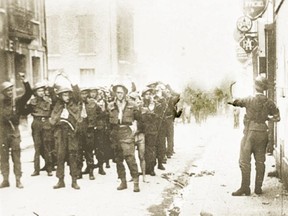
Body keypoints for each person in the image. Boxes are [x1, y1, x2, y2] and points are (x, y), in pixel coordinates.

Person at [228, 75, 280, 196]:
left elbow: (234, 101)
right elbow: (277, 118)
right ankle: (258, 188)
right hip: (263, 132)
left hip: (249, 133)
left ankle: (245, 188)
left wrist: (231, 91)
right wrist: (266, 117)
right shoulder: (270, 103)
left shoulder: (249, 100)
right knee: (260, 161)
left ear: (254, 86)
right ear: (265, 88)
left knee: (244, 161)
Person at [0, 73, 32, 188]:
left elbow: (28, 94)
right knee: (3, 157)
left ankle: (18, 179)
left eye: (11, 90)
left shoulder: (17, 102)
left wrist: (25, 81)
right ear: (3, 92)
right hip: (2, 132)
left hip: (14, 132)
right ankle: (5, 179)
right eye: (7, 91)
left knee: (16, 157)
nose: (10, 92)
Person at [50, 74, 82, 190]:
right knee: (60, 156)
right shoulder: (57, 104)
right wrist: (55, 77)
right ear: (60, 96)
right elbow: (50, 91)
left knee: (73, 156)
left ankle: (74, 181)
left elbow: (77, 92)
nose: (67, 96)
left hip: (71, 133)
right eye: (64, 94)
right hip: (60, 133)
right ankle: (60, 180)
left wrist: (70, 79)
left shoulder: (74, 103)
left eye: (68, 94)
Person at [108, 83, 140, 192]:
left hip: (127, 131)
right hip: (115, 132)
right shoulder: (111, 105)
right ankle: (123, 181)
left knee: (130, 158)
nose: (119, 94)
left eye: (121, 92)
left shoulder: (132, 104)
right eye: (117, 92)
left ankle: (136, 182)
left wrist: (135, 128)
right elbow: (107, 121)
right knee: (118, 159)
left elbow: (139, 118)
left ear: (125, 93)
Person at [27, 82, 54, 177]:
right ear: (35, 92)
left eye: (42, 90)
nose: (41, 92)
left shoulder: (48, 101)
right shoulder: (32, 102)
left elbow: (52, 112)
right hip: (36, 123)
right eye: (39, 90)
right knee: (37, 147)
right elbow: (26, 111)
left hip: (46, 123)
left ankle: (49, 169)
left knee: (47, 147)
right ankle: (36, 169)